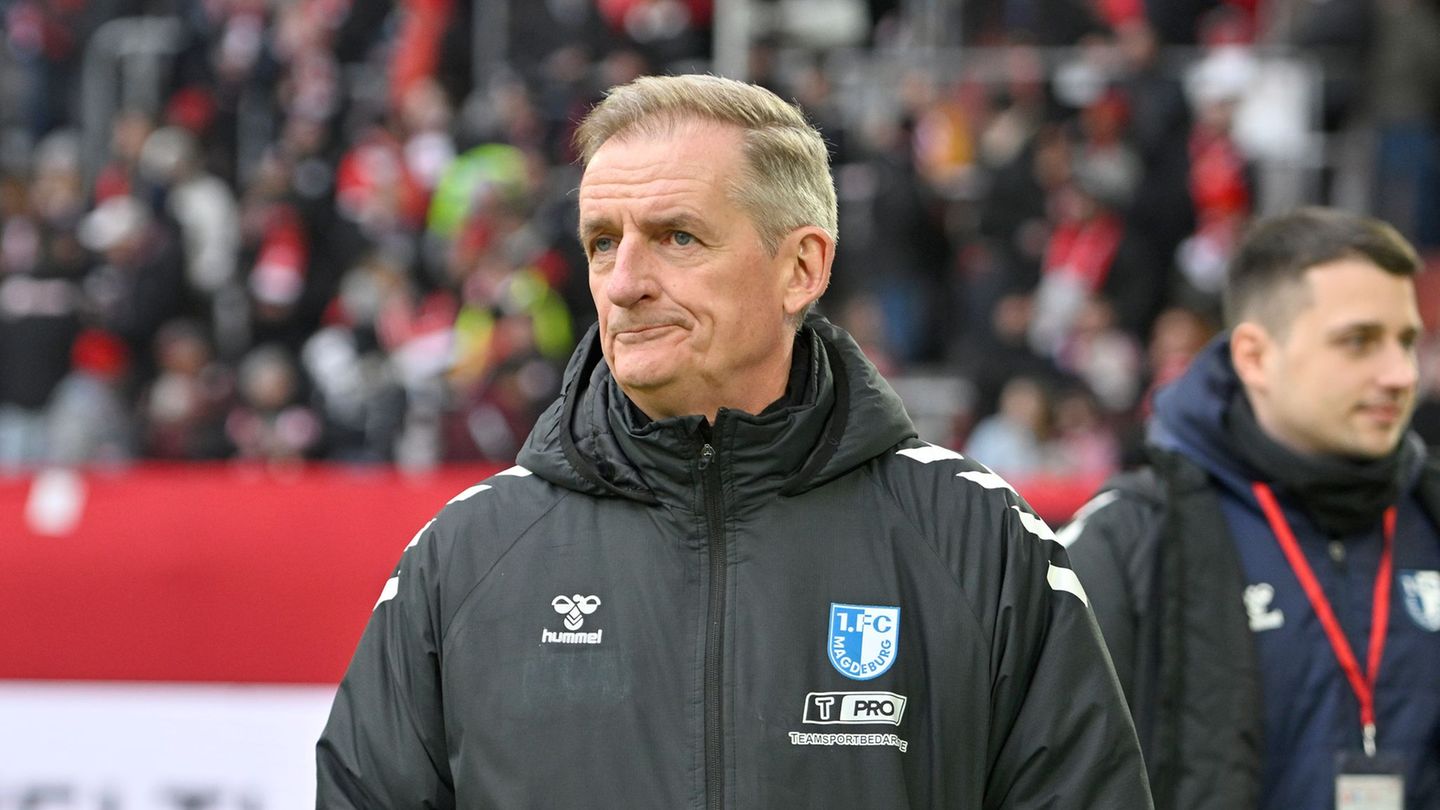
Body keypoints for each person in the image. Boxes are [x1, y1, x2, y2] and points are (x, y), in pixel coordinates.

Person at [316, 74, 1151, 808]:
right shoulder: (464, 556)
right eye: (604, 242)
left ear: (802, 269)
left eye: (678, 237)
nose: (626, 282)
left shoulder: (980, 542)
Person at [1060, 207, 1440, 810]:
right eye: (1359, 341)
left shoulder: (1429, 517)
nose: (1400, 374)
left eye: (1408, 341)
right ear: (1256, 356)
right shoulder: (1131, 538)